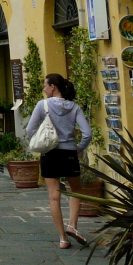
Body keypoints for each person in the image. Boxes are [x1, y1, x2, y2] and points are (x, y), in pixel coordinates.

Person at [26, 73, 92, 250]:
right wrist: (78, 148)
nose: (44, 88)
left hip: (50, 153)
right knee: (76, 191)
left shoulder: (42, 105)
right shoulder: (75, 107)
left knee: (54, 196)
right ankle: (72, 226)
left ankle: (63, 238)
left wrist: (40, 140)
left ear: (53, 86)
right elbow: (87, 133)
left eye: (45, 85)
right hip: (69, 152)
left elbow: (30, 129)